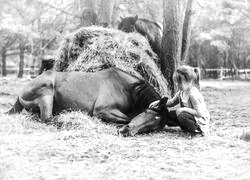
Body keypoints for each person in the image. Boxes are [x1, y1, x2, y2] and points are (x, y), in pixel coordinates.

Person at [150, 65, 210, 136]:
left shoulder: (193, 95)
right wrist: (158, 102)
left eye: (179, 82)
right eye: (176, 82)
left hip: (199, 119)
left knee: (182, 115)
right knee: (168, 115)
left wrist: (183, 109)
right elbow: (172, 102)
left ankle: (197, 132)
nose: (176, 84)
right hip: (190, 115)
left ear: (189, 81)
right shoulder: (181, 92)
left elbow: (199, 113)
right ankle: (186, 127)